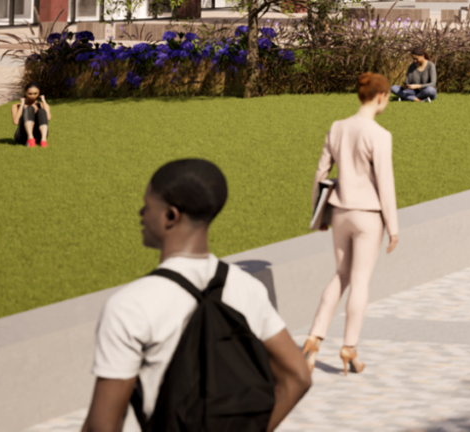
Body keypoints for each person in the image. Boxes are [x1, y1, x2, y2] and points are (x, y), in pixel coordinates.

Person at [81, 159, 312, 432]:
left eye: (148, 205)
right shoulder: (247, 288)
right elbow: (298, 376)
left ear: (170, 216)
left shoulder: (130, 305)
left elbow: (102, 426)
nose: (140, 212)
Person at [305, 73, 401, 375]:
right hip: (368, 215)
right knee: (359, 280)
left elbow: (321, 174)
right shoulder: (380, 135)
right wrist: (393, 226)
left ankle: (313, 337)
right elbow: (385, 183)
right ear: (382, 96)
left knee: (340, 274)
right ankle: (349, 346)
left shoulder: (337, 128)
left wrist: (319, 215)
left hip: (340, 212)